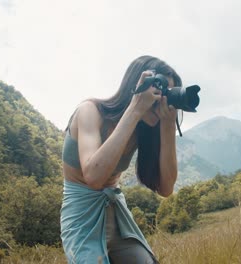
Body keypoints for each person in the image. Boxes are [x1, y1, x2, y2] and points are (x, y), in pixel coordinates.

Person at [60, 55, 181, 263]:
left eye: (168, 96)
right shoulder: (90, 111)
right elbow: (94, 177)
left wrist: (168, 125)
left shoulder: (144, 128)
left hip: (115, 209)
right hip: (81, 214)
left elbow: (166, 188)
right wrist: (135, 108)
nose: (162, 102)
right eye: (159, 92)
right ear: (139, 86)